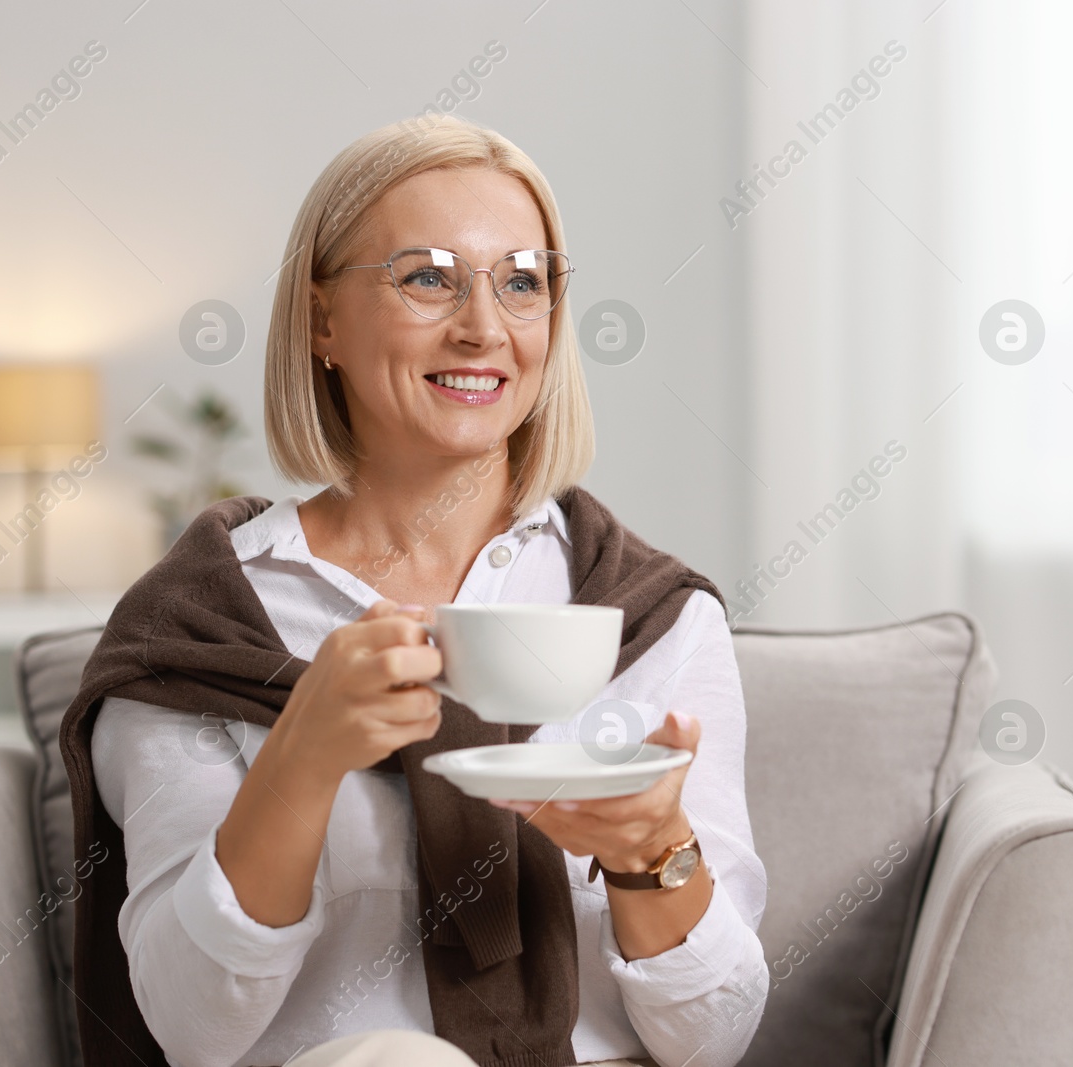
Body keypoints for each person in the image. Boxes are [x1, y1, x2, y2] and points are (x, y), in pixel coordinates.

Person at [60, 114, 768, 1067]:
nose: (483, 326)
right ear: (321, 320)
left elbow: (715, 1039)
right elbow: (188, 1028)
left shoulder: (655, 616)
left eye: (523, 282)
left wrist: (655, 850)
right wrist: (301, 758)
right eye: (429, 276)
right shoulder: (200, 628)